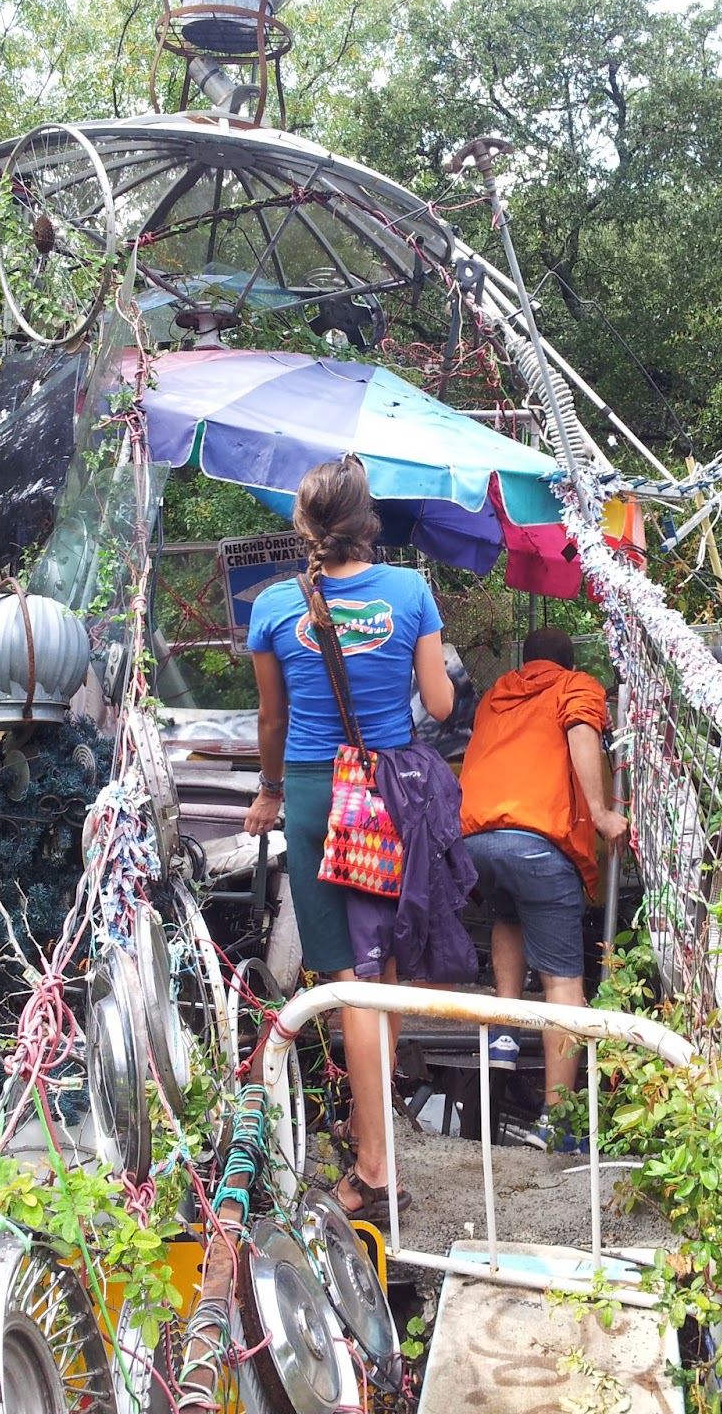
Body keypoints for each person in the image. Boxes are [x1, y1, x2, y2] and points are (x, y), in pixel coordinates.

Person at [242, 457, 454, 1217]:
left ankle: (374, 1164)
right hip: (390, 793)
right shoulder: (411, 592)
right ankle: (378, 1133)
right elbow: (437, 697)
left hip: (313, 790)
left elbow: (269, 722)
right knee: (382, 973)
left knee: (349, 986)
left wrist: (268, 793)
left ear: (304, 525)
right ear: (370, 521)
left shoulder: (271, 606)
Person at [459, 626, 628, 1148]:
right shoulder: (577, 687)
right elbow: (581, 736)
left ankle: (505, 1032)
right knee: (563, 987)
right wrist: (602, 814)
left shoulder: (496, 696)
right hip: (537, 843)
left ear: (525, 661)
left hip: (476, 841)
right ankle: (559, 1125)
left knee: (508, 918)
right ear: (568, 661)